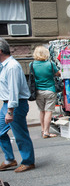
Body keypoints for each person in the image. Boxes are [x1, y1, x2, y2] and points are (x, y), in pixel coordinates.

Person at [0, 38, 35, 173]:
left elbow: (13, 91)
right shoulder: (4, 66)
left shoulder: (12, 66)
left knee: (20, 134)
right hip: (7, 104)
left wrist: (10, 111)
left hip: (15, 105)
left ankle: (28, 161)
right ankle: (9, 159)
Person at [30, 46, 60, 139]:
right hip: (50, 90)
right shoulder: (50, 64)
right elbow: (58, 74)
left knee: (41, 111)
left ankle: (43, 129)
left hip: (38, 91)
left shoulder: (32, 64)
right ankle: (47, 132)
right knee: (48, 111)